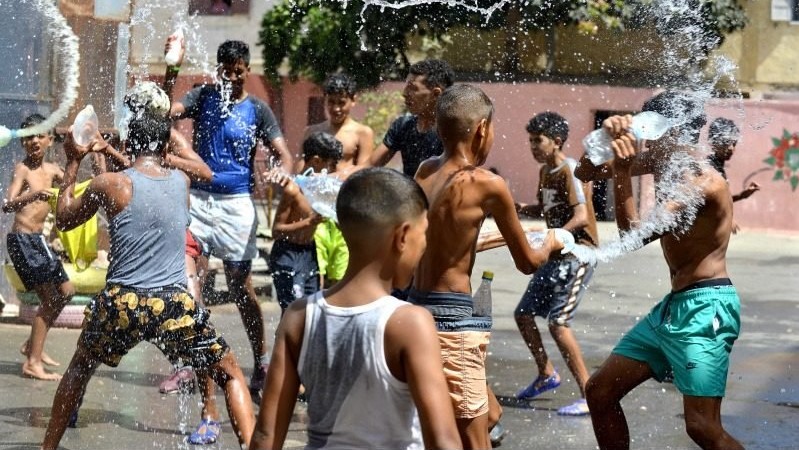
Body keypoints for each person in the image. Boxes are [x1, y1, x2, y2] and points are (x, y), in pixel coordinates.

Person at [42, 99, 256, 450]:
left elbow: (64, 219)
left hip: (120, 303)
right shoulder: (181, 182)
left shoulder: (109, 184)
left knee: (80, 368)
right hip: (172, 304)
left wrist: (73, 161)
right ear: (166, 148)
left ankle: (47, 447)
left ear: (128, 144)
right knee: (230, 373)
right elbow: (151, 175)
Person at [251, 167, 462, 450]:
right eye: (424, 234)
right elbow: (444, 441)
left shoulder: (299, 316)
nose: (425, 247)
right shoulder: (409, 323)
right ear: (402, 236)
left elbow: (265, 436)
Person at [584, 91, 744, 450]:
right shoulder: (661, 161)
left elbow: (631, 236)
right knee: (600, 392)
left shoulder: (702, 182)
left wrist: (622, 171)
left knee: (702, 426)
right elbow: (585, 171)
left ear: (675, 132)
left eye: (650, 131)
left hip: (706, 309)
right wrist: (603, 139)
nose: (646, 140)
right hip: (674, 307)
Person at [411, 84, 561, 449]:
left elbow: (432, 239)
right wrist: (553, 241)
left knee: (487, 415)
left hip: (416, 311)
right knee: (474, 438)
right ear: (481, 129)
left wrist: (487, 240)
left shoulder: (425, 171)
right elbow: (528, 262)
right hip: (453, 321)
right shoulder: (490, 184)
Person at [163, 39, 293, 397]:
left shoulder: (258, 110)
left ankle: (261, 362)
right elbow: (165, 111)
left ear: (247, 70)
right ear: (218, 69)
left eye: (239, 72)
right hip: (198, 200)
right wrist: (172, 68)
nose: (233, 78)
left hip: (236, 205)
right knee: (191, 282)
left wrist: (281, 172)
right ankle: (188, 364)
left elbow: (283, 154)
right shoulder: (203, 96)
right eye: (227, 71)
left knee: (240, 287)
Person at [514, 112, 599, 416]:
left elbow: (581, 217)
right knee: (524, 314)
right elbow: (547, 207)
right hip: (555, 255)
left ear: (557, 141)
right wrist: (521, 208)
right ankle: (546, 373)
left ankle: (590, 395)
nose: (532, 146)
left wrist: (551, 238)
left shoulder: (570, 169)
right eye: (530, 141)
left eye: (538, 140)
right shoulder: (545, 172)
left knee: (558, 323)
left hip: (578, 255)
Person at [2, 113, 74, 381]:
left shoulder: (53, 170)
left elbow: (73, 188)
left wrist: (78, 152)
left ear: (50, 140)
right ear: (22, 142)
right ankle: (33, 362)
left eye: (40, 136)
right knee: (52, 299)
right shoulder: (23, 169)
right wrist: (33, 195)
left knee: (66, 291)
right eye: (29, 137)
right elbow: (7, 204)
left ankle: (32, 345)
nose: (34, 141)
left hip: (38, 242)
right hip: (22, 241)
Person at [266, 132, 343, 311]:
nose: (334, 170)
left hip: (309, 253)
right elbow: (276, 230)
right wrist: (309, 222)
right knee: (292, 311)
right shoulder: (293, 190)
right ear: (316, 161)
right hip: (287, 254)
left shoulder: (321, 190)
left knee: (311, 309)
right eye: (331, 164)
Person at [368, 59, 454, 177]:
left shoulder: (451, 131)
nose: (404, 93)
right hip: (409, 189)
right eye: (406, 87)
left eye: (412, 88)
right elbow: (370, 166)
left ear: (436, 94)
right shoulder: (403, 125)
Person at [296, 73, 373, 177]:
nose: (336, 109)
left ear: (353, 100)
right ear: (325, 100)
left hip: (345, 187)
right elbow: (300, 172)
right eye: (331, 102)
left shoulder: (362, 133)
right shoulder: (311, 132)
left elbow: (364, 172)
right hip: (314, 187)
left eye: (341, 103)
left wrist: (328, 178)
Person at [707, 117, 759, 233]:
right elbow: (706, 203)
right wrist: (727, 217)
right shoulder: (710, 170)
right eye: (726, 143)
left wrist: (741, 195)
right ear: (713, 142)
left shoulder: (718, 167)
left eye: (734, 143)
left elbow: (720, 199)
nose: (731, 148)